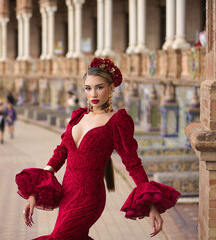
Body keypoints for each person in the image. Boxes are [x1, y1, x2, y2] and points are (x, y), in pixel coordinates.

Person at [15, 58, 180, 239]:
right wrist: (34, 193)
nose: (93, 93)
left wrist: (151, 204)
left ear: (110, 89)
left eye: (99, 87)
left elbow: (132, 163)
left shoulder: (117, 121)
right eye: (88, 88)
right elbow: (60, 153)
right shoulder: (78, 117)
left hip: (90, 198)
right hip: (67, 194)